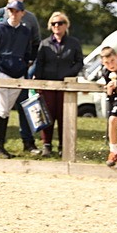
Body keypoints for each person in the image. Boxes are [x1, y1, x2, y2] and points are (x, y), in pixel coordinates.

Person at [0, 0, 42, 154]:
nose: (14, 14)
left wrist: (27, 65)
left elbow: (33, 46)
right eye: (12, 10)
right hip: (1, 73)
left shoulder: (27, 26)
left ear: (22, 11)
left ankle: (26, 143)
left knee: (17, 106)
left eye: (17, 11)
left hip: (19, 74)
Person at [31, 10, 83, 157]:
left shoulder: (74, 43)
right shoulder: (44, 44)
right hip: (48, 85)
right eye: (53, 23)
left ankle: (63, 145)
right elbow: (39, 64)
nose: (57, 26)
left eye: (60, 23)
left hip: (66, 86)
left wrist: (69, 74)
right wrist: (38, 83)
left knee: (64, 116)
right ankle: (47, 145)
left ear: (66, 25)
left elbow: (79, 62)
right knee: (47, 116)